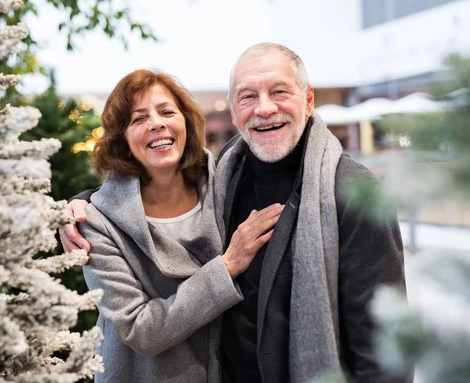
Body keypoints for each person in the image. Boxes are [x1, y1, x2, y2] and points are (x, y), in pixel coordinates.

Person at [62, 43, 407, 383]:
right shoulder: (229, 172)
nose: (265, 108)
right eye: (248, 96)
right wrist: (82, 204)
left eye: (279, 91)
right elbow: (130, 200)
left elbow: (386, 344)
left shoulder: (349, 191)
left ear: (309, 99)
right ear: (232, 109)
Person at [76, 69, 282, 383]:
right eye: (138, 118)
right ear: (122, 140)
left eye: (167, 112)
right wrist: (227, 266)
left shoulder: (221, 182)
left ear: (184, 121)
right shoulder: (98, 223)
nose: (157, 123)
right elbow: (139, 329)